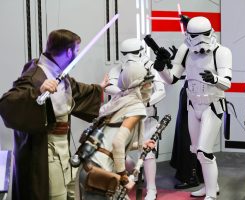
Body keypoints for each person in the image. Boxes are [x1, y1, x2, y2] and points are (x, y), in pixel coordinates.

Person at [0, 29, 109, 200]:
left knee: (70, 192)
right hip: (45, 150)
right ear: (68, 52)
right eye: (77, 50)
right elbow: (8, 103)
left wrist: (99, 89)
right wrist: (38, 92)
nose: (77, 55)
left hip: (62, 146)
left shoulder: (57, 72)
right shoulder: (35, 75)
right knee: (55, 195)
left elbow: (75, 90)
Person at [151, 16, 232, 200]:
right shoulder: (185, 50)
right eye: (195, 35)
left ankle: (211, 194)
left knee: (204, 151)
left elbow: (227, 83)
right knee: (196, 150)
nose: (200, 40)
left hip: (212, 105)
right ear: (188, 35)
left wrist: (215, 79)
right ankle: (212, 186)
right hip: (192, 104)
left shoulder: (221, 52)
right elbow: (172, 78)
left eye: (203, 35)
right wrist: (161, 67)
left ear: (210, 33)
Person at [79, 57, 156, 200]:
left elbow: (112, 140)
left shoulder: (119, 101)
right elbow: (118, 143)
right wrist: (123, 177)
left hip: (90, 167)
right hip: (102, 172)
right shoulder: (135, 107)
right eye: (147, 83)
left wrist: (140, 145)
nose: (150, 86)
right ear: (139, 85)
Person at [105, 38, 166, 200]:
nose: (130, 57)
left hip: (146, 115)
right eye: (126, 54)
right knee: (121, 151)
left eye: (133, 53)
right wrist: (126, 92)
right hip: (125, 116)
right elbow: (109, 86)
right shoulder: (119, 67)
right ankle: (128, 180)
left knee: (148, 153)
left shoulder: (150, 67)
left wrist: (143, 101)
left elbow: (161, 90)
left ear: (141, 52)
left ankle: (151, 188)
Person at [170, 79, 204, 189]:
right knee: (190, 134)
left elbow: (173, 77)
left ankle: (190, 176)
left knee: (187, 134)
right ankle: (197, 174)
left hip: (194, 92)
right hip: (193, 90)